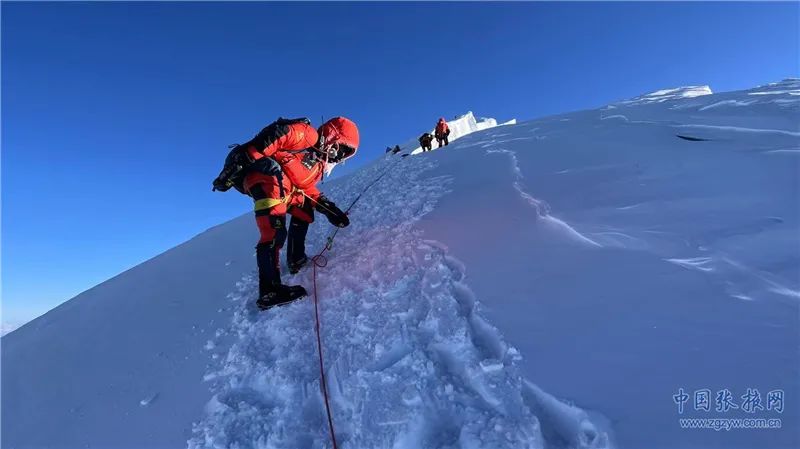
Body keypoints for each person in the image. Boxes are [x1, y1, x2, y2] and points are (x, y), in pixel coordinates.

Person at [212, 117, 358, 310]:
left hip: (284, 186)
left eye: (345, 154)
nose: (339, 156)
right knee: (274, 230)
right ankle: (269, 291)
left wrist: (330, 209)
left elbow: (307, 190)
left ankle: (296, 259)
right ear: (333, 137)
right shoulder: (310, 136)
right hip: (267, 175)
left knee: (304, 211)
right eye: (341, 148)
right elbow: (282, 134)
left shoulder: (317, 165)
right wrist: (245, 157)